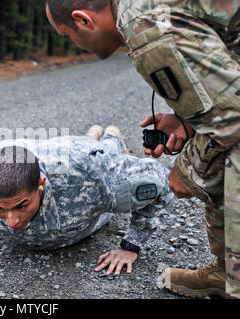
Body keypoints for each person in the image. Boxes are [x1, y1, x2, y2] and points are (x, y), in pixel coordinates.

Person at [44, 0, 239, 298]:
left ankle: (234, 278)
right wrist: (189, 121)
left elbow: (231, 116)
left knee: (223, 155)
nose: (73, 42)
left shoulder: (142, 22)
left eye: (66, 34)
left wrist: (186, 172)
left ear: (83, 20)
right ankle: (229, 271)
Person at [0, 125, 173, 276]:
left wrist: (131, 247)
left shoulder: (90, 176)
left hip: (82, 155)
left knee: (103, 149)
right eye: (0, 208)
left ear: (40, 186)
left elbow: (161, 181)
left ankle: (110, 134)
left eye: (21, 206)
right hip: (52, 151)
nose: (11, 221)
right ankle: (90, 134)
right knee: (82, 144)